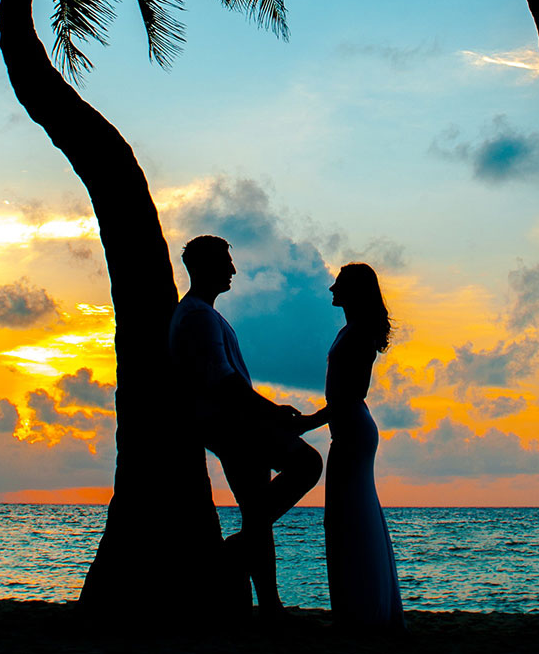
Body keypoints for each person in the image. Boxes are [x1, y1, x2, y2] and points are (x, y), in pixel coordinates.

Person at [170, 235, 322, 616]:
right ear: (206, 267)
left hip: (232, 425)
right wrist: (271, 413)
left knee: (257, 512)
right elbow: (223, 380)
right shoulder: (199, 316)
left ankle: (268, 604)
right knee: (307, 465)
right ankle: (227, 558)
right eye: (226, 261)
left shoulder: (201, 314)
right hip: (234, 427)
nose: (233, 269)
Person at [298, 263, 404, 631]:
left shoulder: (357, 333)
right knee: (349, 516)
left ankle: (359, 612)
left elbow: (350, 394)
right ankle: (359, 608)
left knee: (348, 517)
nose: (331, 288)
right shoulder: (352, 330)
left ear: (354, 290)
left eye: (338, 283)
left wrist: (308, 423)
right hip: (349, 429)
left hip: (353, 431)